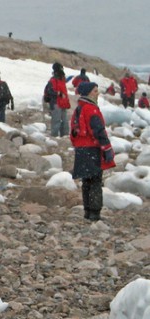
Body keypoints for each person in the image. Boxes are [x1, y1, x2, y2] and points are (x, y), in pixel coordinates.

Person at [70, 82, 115, 222]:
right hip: (92, 149)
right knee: (95, 181)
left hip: (81, 150)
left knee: (86, 181)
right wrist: (107, 148)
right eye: (95, 91)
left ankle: (87, 211)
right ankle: (95, 213)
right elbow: (99, 131)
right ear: (89, 93)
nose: (98, 93)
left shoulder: (79, 109)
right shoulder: (91, 109)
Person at [44, 62, 71, 137]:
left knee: (64, 121)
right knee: (57, 121)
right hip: (56, 103)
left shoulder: (60, 80)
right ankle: (54, 136)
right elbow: (50, 91)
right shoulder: (53, 81)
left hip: (62, 103)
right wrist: (58, 94)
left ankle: (64, 136)